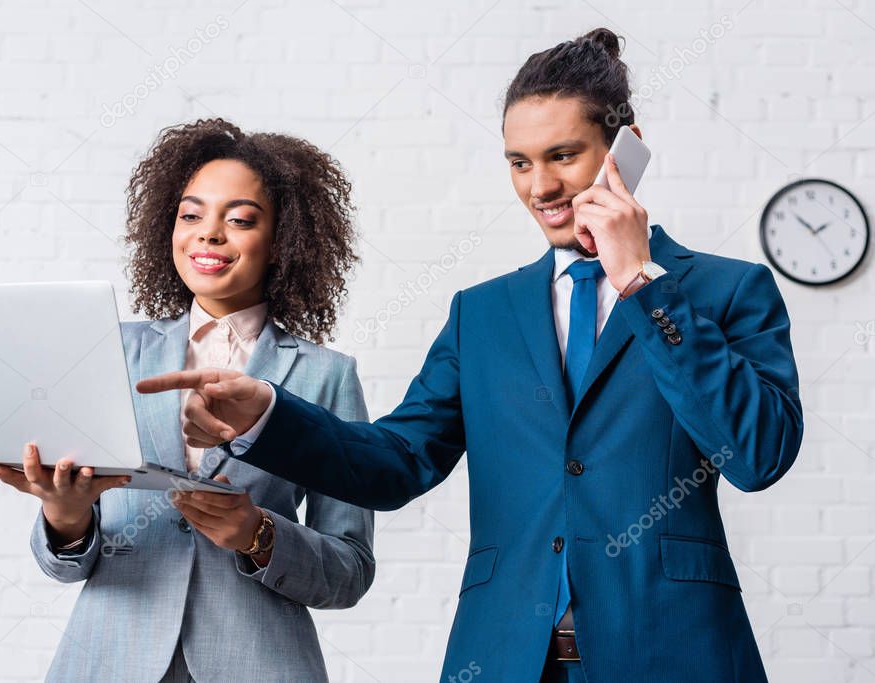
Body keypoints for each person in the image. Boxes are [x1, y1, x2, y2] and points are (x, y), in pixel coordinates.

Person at [138, 29, 804, 683]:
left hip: (676, 655)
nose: (539, 186)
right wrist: (269, 416)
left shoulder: (723, 291)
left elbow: (755, 454)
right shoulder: (482, 315)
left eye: (561, 155)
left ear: (623, 148)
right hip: (504, 658)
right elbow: (396, 462)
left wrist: (639, 283)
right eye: (518, 162)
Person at [0, 118, 375, 683]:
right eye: (191, 215)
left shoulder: (325, 376)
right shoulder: (109, 352)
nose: (208, 234)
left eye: (239, 220)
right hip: (109, 660)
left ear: (284, 239)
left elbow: (350, 569)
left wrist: (257, 535)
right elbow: (64, 565)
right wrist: (65, 516)